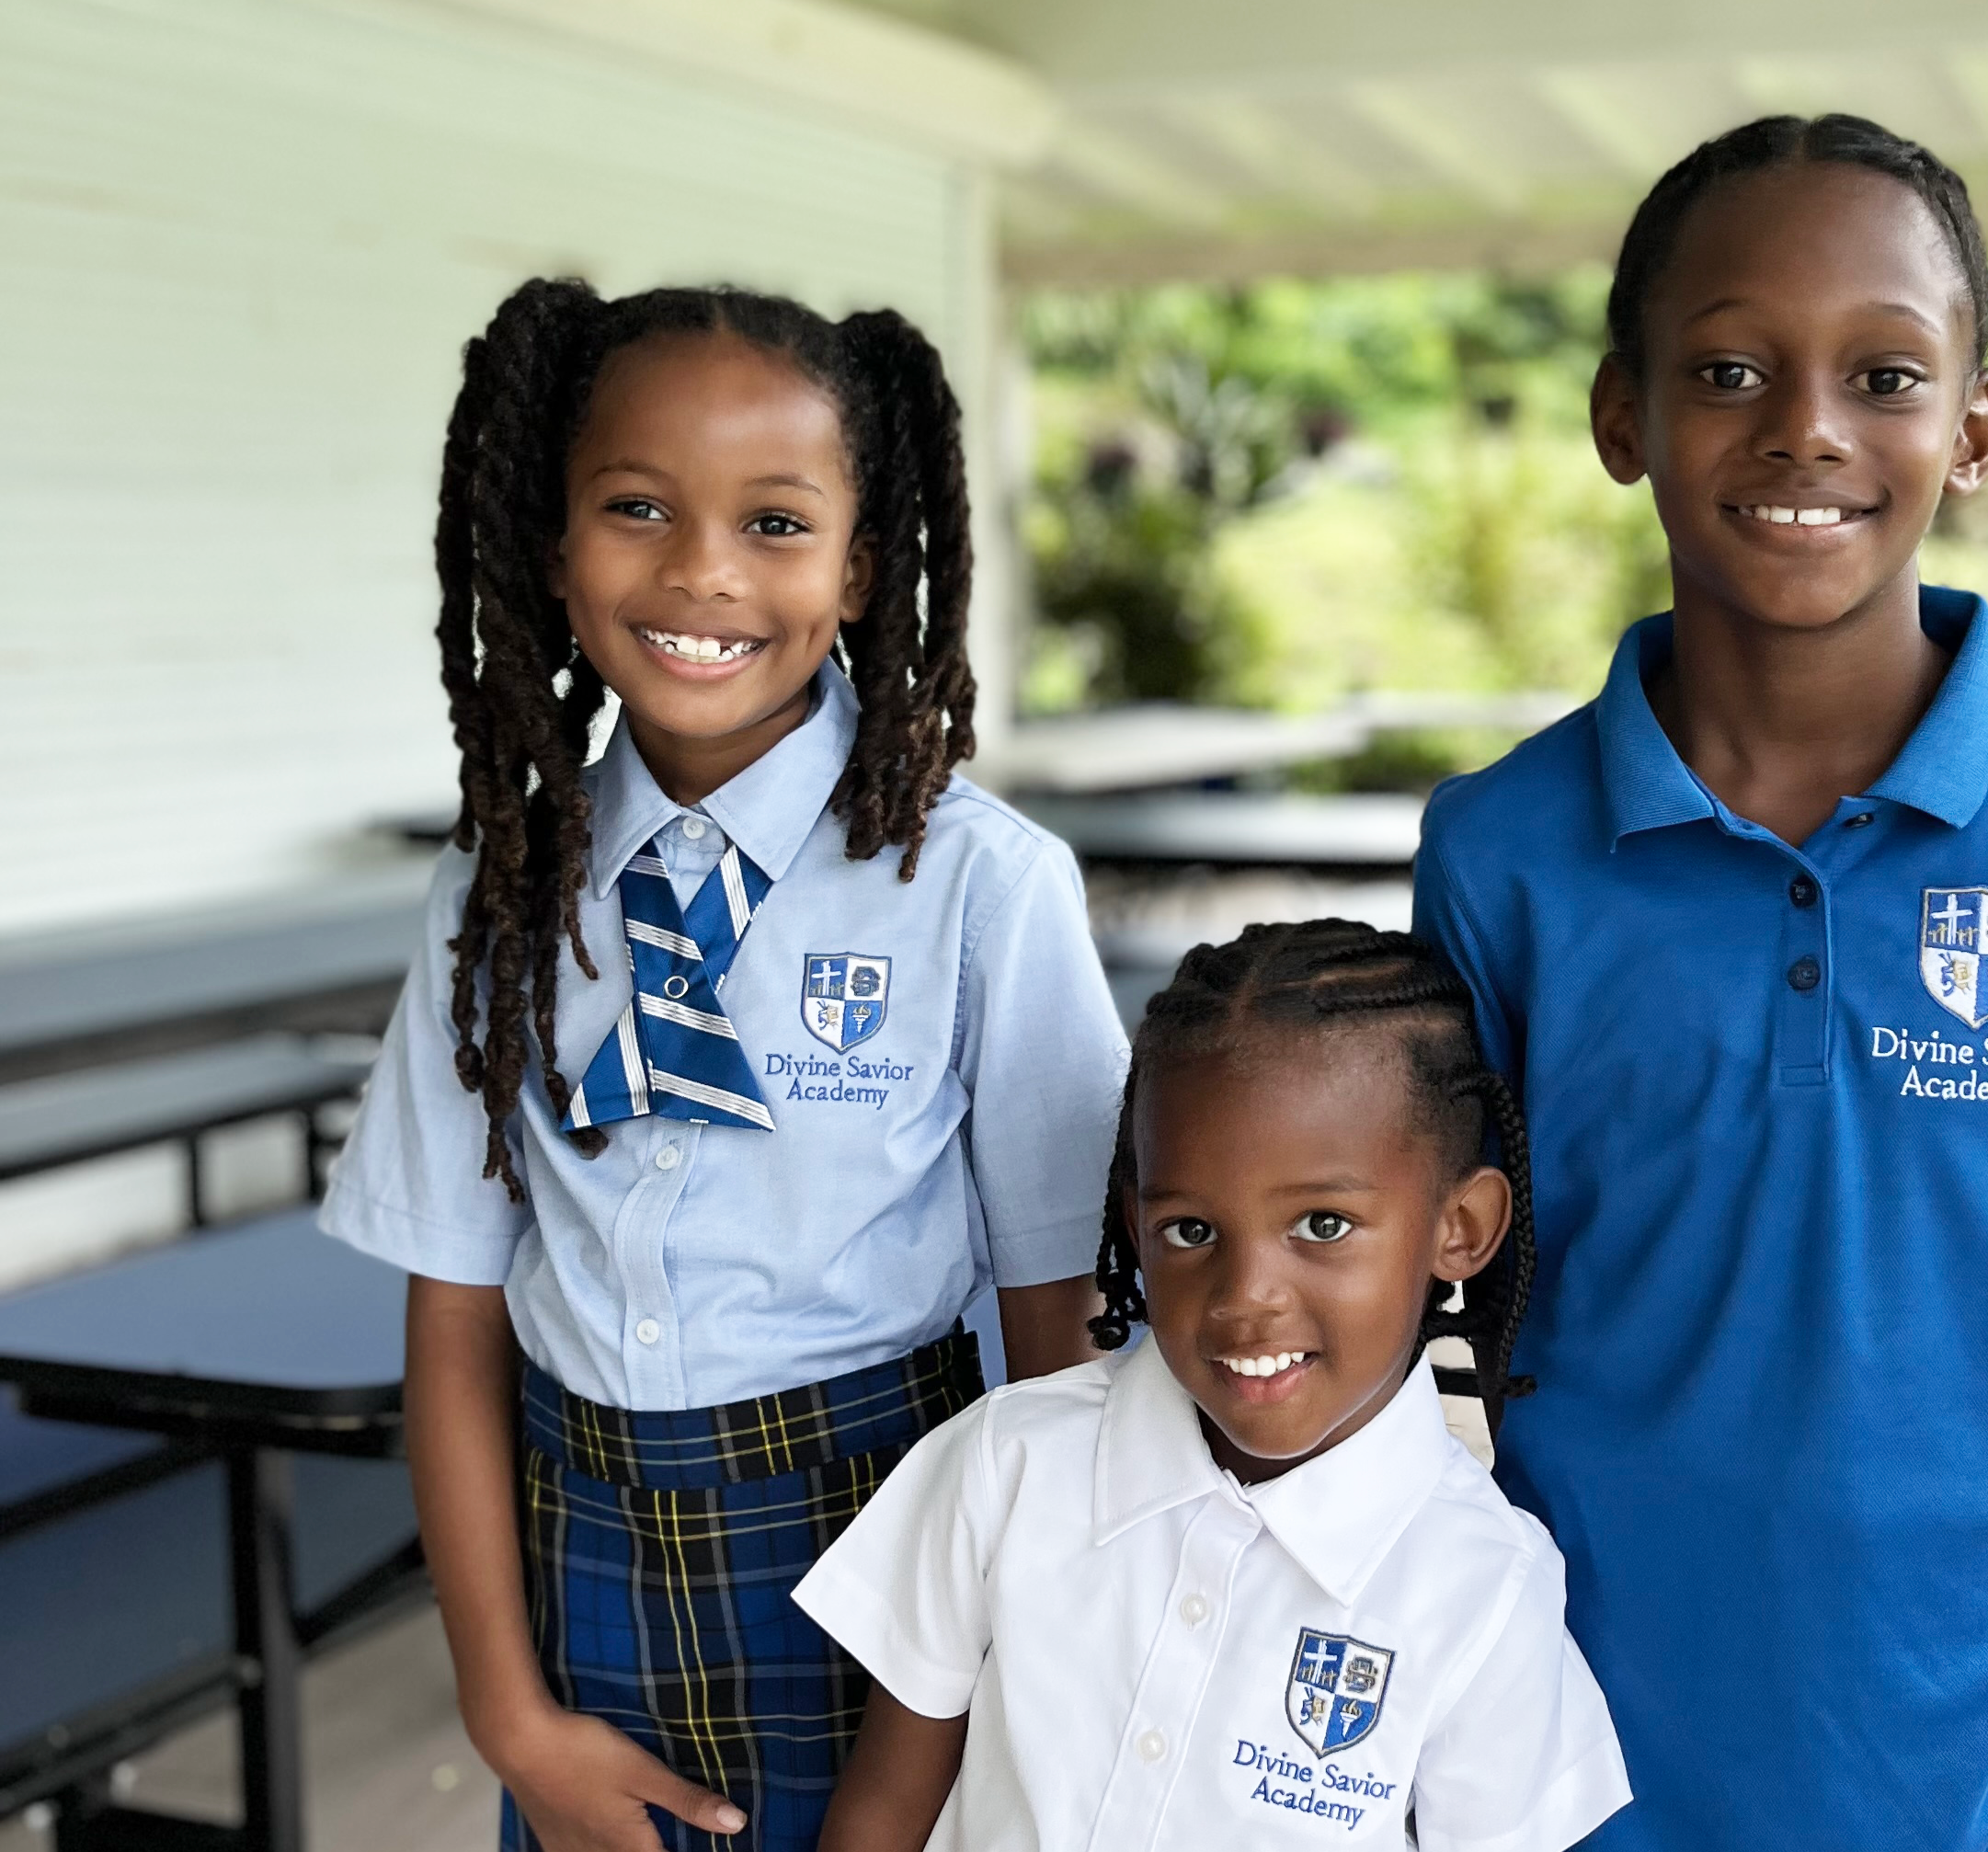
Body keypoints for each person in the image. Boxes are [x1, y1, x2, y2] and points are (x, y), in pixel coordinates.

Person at [1410, 116, 1988, 1852]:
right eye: (1730, 366)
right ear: (1624, 415)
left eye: (1883, 372)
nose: (1805, 425)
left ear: (1972, 429)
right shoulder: (1500, 850)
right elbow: (1482, 1295)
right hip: (1592, 1742)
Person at [320, 280, 1127, 1852]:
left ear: (856, 569)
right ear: (554, 550)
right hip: (578, 1571)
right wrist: (511, 1716)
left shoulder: (975, 884)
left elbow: (1061, 1335)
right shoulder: (498, 888)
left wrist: (1011, 1686)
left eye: (772, 520)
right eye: (636, 507)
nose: (700, 571)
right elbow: (454, 1310)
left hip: (892, 1562)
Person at [794, 921, 1633, 1852]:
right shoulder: (1008, 1461)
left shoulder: (1482, 1585)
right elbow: (880, 1814)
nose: (1245, 1300)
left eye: (1322, 1223)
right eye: (1191, 1230)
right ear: (1133, 1221)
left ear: (1461, 1227)